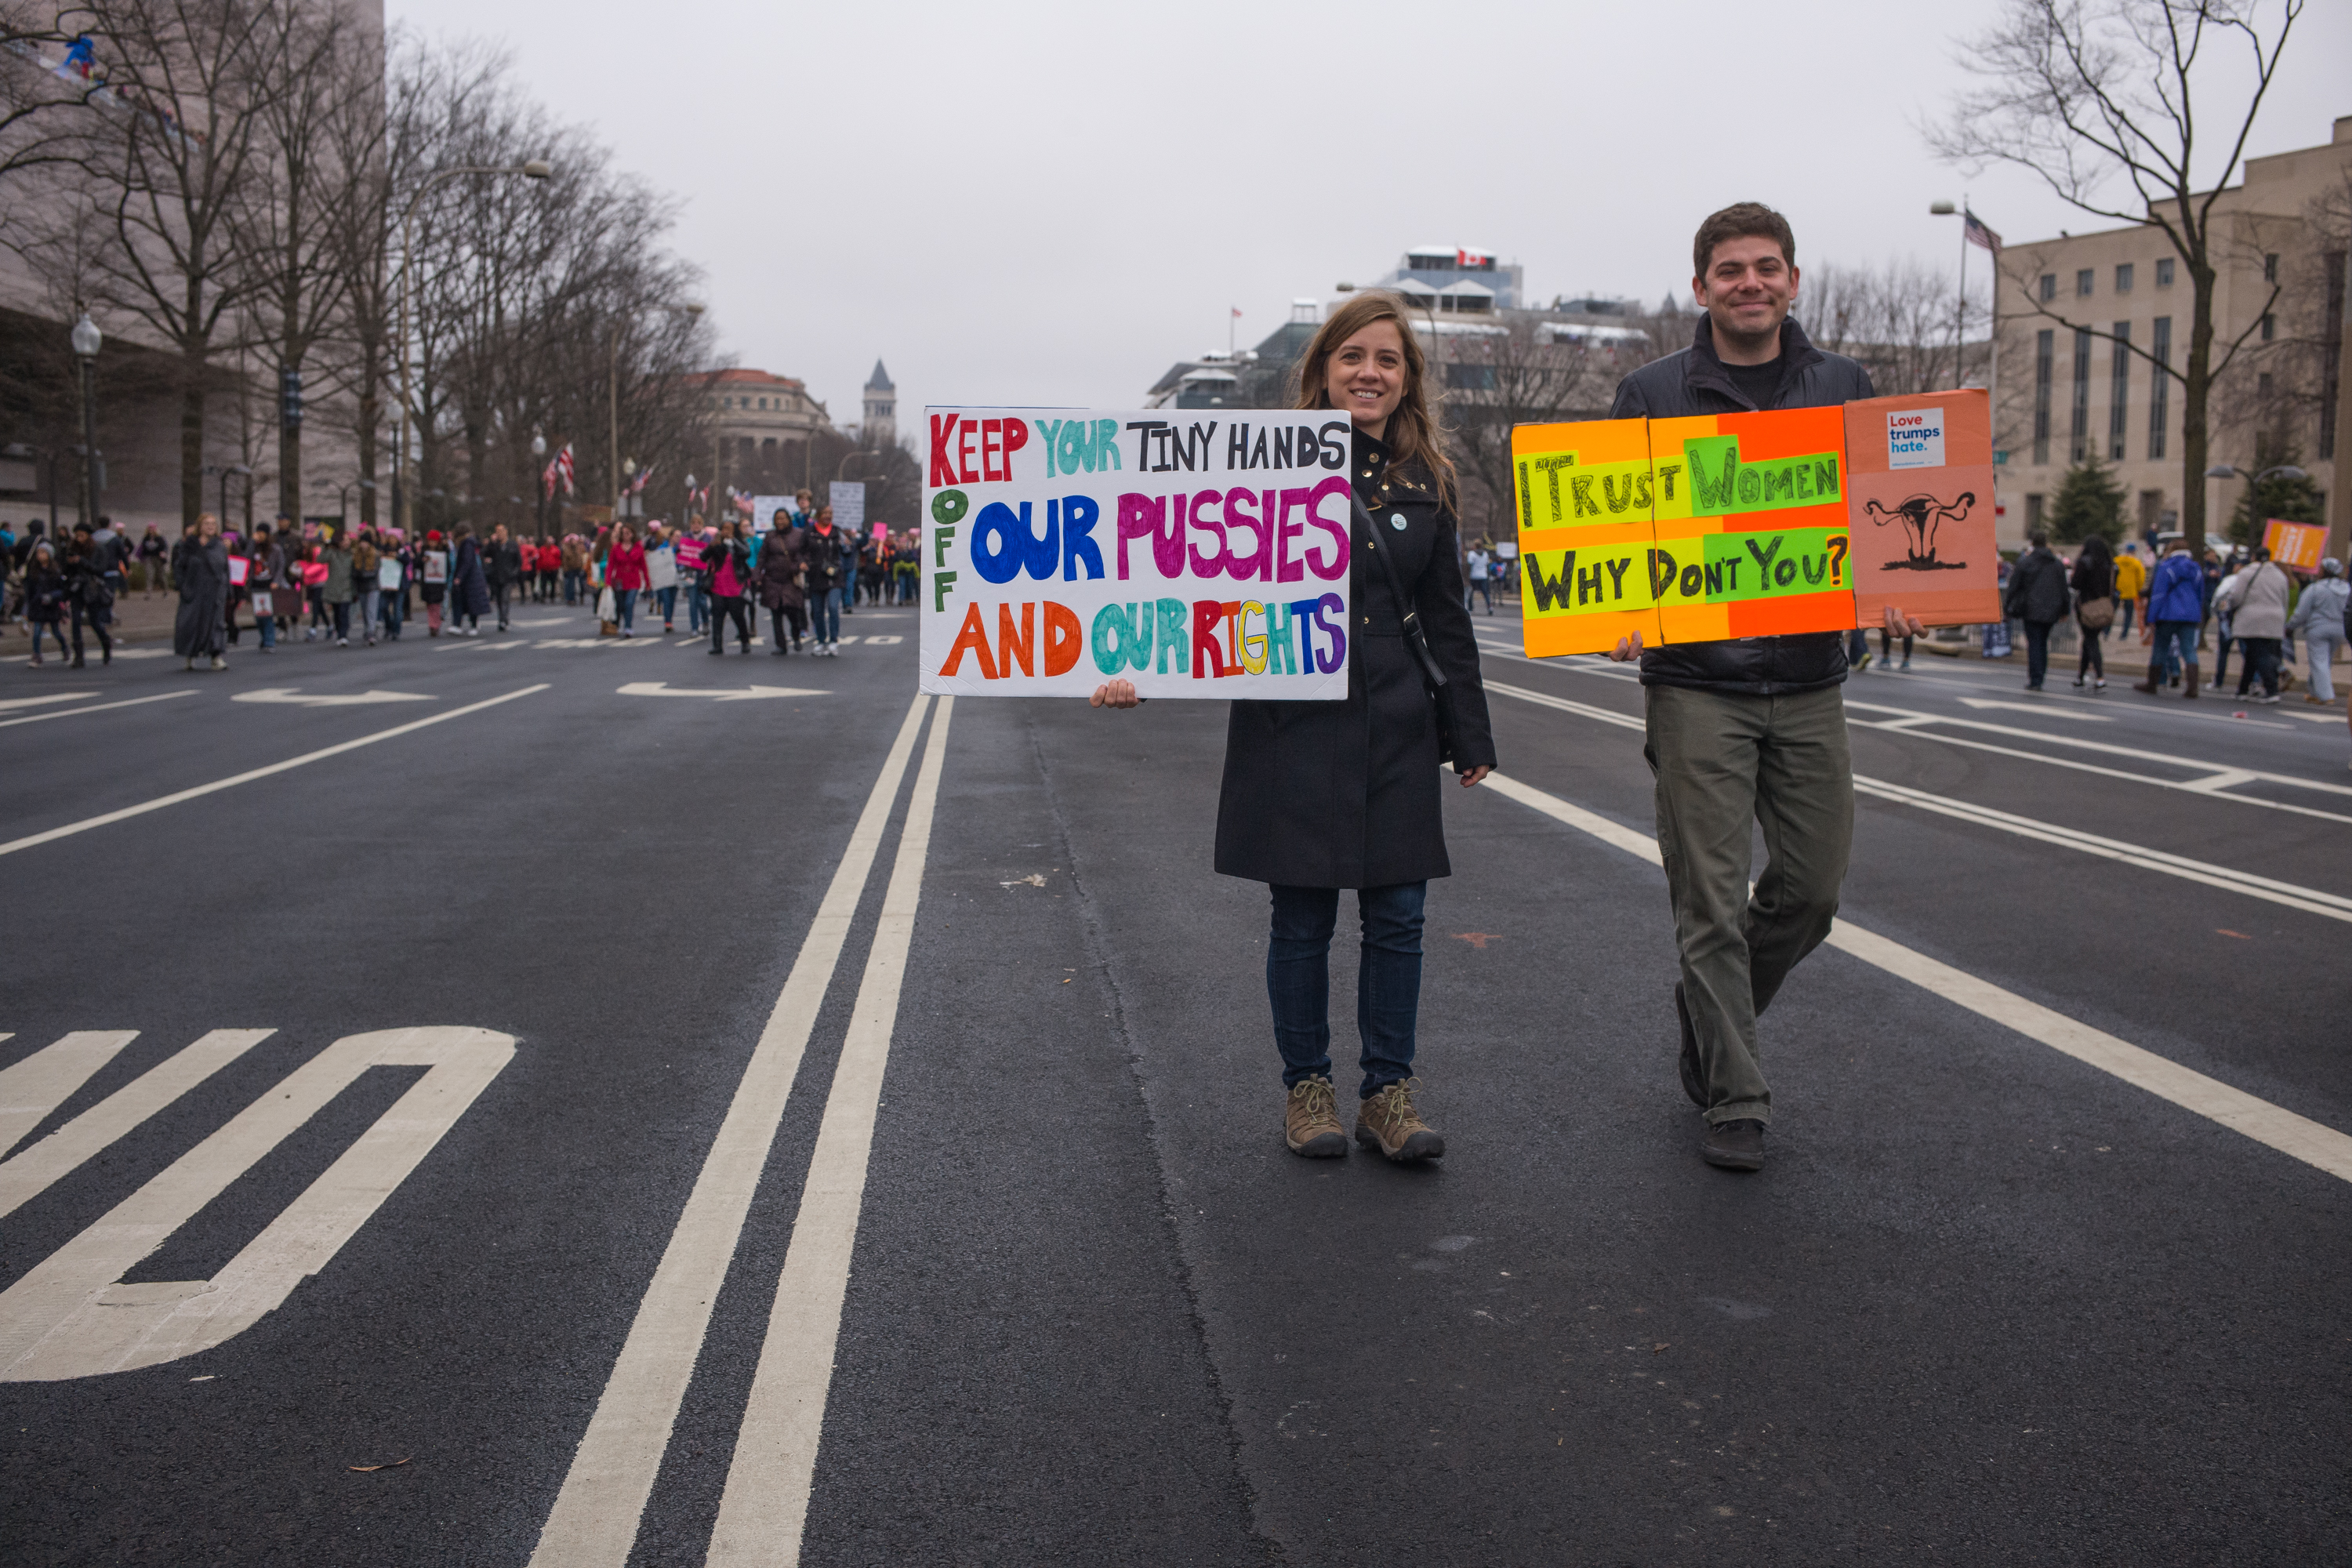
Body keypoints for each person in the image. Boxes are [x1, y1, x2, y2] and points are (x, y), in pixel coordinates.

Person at [1094, 289, 1496, 1163]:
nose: (1370, 372)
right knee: (1302, 915)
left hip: (1395, 716)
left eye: (1388, 359)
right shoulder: (1261, 464)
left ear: (1407, 377)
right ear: (1321, 371)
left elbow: (1447, 612)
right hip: (1292, 714)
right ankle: (1306, 1090)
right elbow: (1194, 583)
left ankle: (1388, 1093)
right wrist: (1137, 672)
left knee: (1399, 913)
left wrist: (1470, 731)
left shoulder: (1430, 474)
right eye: (1353, 356)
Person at [1605, 200, 1920, 1174]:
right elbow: (1615, 526)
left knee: (1812, 889)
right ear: (1701, 287)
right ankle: (1736, 1093)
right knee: (1706, 895)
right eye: (1731, 269)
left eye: (1767, 267)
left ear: (1793, 281)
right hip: (1698, 679)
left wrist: (1906, 584)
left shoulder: (1844, 384)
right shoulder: (1649, 392)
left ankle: (1708, 1010)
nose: (1751, 282)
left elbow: (1877, 512)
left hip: (1812, 677)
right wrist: (1617, 600)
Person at [2134, 537, 2205, 699]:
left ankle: (2152, 684)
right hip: (2190, 615)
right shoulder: (2196, 568)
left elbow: (2158, 594)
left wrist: (2150, 618)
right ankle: (2192, 687)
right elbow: (2200, 593)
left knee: (2160, 648)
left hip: (2168, 614)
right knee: (2189, 650)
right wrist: (2198, 613)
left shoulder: (2166, 567)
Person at [2222, 544, 2290, 704]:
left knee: (2259, 654)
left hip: (2252, 620)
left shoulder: (2246, 573)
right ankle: (2243, 689)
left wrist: (2230, 608)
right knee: (2253, 655)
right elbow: (2284, 600)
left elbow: (2236, 596)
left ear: (2254, 557)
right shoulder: (2279, 575)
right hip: (2274, 619)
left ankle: (2271, 690)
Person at [2002, 529, 2070, 691]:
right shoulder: (2057, 564)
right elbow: (2063, 589)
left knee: (2034, 643)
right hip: (2051, 609)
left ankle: (2035, 678)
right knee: (2042, 643)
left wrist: (2007, 608)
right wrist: (2065, 610)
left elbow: (2014, 586)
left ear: (2032, 544)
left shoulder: (2026, 563)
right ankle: (2040, 676)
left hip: (2031, 609)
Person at [173, 512, 231, 671]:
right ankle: (189, 656)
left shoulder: (219, 546)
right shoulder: (190, 545)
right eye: (207, 523)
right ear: (200, 526)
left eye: (213, 523)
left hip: (214, 591)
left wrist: (228, 591)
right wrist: (182, 586)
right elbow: (180, 566)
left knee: (215, 624)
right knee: (190, 623)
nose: (210, 526)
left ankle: (216, 656)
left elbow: (225, 569)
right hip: (193, 591)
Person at [2289, 557, 2346, 705]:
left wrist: (2290, 626)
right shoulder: (2347, 589)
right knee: (2325, 661)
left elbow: (2301, 612)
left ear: (2324, 571)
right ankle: (2314, 691)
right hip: (2341, 629)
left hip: (2318, 629)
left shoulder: (2316, 588)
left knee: (2319, 661)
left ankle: (2326, 696)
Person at [63, 524, 115, 667]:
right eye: (77, 535)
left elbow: (100, 569)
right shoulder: (71, 548)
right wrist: (70, 563)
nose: (79, 539)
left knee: (94, 621)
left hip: (92, 588)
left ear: (88, 535)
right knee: (76, 620)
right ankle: (79, 656)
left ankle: (106, 643)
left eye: (82, 535)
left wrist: (82, 561)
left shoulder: (98, 549)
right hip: (76, 587)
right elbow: (65, 570)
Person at [2068, 534, 2116, 691]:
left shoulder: (2085, 562)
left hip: (2087, 606)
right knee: (2090, 640)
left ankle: (2099, 676)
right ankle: (2081, 676)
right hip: (2104, 605)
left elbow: (2075, 584)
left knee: (2090, 640)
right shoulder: (2109, 564)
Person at [703, 517, 754, 654]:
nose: (726, 531)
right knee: (717, 617)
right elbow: (702, 557)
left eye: (729, 529)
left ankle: (745, 641)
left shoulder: (739, 543)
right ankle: (717, 645)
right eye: (724, 528)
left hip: (735, 587)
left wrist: (734, 541)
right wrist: (711, 547)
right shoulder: (717, 544)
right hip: (718, 586)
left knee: (738, 615)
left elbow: (746, 553)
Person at [757, 520, 807, 654]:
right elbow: (762, 557)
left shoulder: (797, 535)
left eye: (783, 518)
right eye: (778, 518)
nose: (781, 522)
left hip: (790, 579)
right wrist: (756, 576)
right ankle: (781, 645)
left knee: (791, 610)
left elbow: (802, 554)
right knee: (776, 612)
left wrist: (798, 566)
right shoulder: (770, 536)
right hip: (772, 580)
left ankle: (796, 636)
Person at [803, 505, 843, 654]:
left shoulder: (837, 531)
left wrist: (848, 546)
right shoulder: (809, 532)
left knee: (833, 607)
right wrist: (803, 562)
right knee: (817, 611)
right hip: (816, 576)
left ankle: (833, 641)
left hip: (834, 575)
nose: (828, 515)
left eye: (830, 513)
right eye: (825, 513)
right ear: (818, 515)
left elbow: (847, 550)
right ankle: (821, 640)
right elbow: (801, 551)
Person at [22, 541, 68, 664]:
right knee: (37, 631)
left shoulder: (55, 570)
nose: (40, 555)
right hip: (38, 605)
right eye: (39, 552)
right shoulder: (33, 570)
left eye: (43, 552)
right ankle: (37, 654)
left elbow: (61, 589)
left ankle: (65, 648)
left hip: (51, 605)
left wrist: (53, 597)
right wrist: (29, 603)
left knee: (56, 631)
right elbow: (30, 589)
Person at [604, 522, 648, 637]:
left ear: (632, 534)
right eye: (623, 533)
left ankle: (628, 627)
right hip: (619, 580)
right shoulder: (616, 548)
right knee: (620, 605)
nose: (626, 536)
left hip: (633, 580)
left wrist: (648, 582)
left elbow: (643, 566)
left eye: (628, 533)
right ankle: (618, 622)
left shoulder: (638, 547)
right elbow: (610, 566)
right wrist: (608, 582)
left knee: (629, 603)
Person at [246, 524, 284, 653]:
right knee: (259, 616)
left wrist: (277, 581)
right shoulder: (254, 548)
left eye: (263, 533)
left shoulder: (275, 549)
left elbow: (280, 566)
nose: (260, 535)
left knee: (267, 614)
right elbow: (246, 558)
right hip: (256, 584)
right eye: (258, 533)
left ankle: (269, 641)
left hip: (269, 585)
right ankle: (264, 638)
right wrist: (252, 542)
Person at [449, 522, 491, 637]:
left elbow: (466, 562)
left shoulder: (466, 544)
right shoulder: (469, 543)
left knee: (469, 601)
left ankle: (467, 625)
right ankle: (466, 624)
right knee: (470, 601)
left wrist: (459, 577)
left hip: (470, 579)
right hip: (472, 577)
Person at [485, 523, 524, 631]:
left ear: (506, 531)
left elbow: (518, 561)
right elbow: (486, 554)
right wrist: (491, 543)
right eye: (497, 531)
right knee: (499, 600)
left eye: (501, 531)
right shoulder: (494, 545)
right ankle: (501, 619)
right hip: (496, 576)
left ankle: (504, 620)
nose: (499, 533)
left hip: (508, 577)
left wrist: (514, 573)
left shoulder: (512, 545)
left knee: (505, 598)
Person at [321, 528, 357, 646]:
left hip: (347, 587)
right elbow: (321, 559)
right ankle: (339, 631)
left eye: (348, 540)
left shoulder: (352, 554)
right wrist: (326, 545)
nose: (346, 543)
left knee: (344, 612)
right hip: (334, 587)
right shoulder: (332, 553)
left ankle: (343, 635)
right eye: (343, 540)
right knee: (336, 612)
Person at [646, 523, 681, 632]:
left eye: (680, 536)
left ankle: (670, 619)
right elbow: (656, 560)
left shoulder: (680, 549)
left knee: (672, 600)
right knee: (666, 599)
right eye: (676, 536)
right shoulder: (663, 547)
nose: (678, 538)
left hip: (676, 578)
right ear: (671, 536)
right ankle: (668, 622)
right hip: (664, 578)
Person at [419, 530, 450, 635]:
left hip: (438, 583)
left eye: (434, 541)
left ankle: (435, 625)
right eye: (430, 541)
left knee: (436, 605)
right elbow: (417, 564)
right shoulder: (424, 552)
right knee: (430, 605)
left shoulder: (444, 552)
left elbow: (448, 567)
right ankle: (433, 624)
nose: (432, 543)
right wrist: (422, 561)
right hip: (428, 583)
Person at [2113, 542, 2146, 640]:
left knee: (2112, 612)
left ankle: (2106, 632)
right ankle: (2124, 635)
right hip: (2131, 591)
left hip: (2117, 590)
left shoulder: (2117, 560)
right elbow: (2141, 577)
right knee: (2128, 615)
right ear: (2134, 551)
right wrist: (2138, 589)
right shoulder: (2136, 563)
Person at [136, 523, 169, 596]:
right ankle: (148, 592)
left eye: (152, 528)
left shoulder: (160, 538)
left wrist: (163, 553)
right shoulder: (146, 538)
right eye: (149, 528)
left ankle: (165, 590)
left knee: (161, 576)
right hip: (149, 558)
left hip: (158, 558)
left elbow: (165, 547)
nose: (151, 530)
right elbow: (142, 548)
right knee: (149, 575)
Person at [1466, 539, 1494, 613]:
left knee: (1471, 592)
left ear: (1475, 545)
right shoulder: (1485, 554)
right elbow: (1487, 564)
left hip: (1474, 575)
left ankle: (1470, 608)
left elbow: (1470, 564)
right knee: (1485, 592)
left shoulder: (1472, 554)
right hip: (1483, 575)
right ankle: (1489, 607)